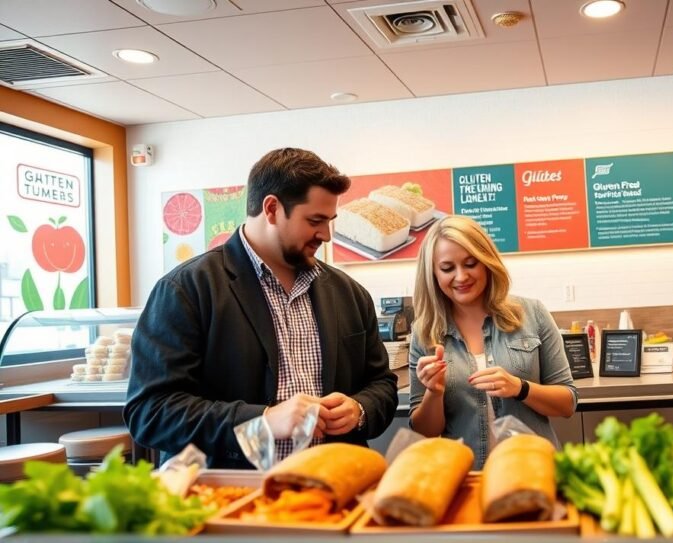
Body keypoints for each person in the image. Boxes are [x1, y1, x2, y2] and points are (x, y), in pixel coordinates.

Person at [125, 148, 398, 468]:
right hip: (233, 495)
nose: (325, 235)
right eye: (315, 220)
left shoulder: (348, 293)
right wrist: (262, 421)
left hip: (333, 486)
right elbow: (151, 412)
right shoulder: (187, 289)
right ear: (271, 209)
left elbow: (382, 386)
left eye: (329, 222)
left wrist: (359, 409)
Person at [409, 215, 577, 467]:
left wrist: (520, 388)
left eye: (470, 263)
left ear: (487, 261)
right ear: (433, 273)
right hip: (467, 477)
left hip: (533, 469)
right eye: (447, 268)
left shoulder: (532, 313)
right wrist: (434, 393)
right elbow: (425, 432)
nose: (461, 276)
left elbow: (567, 403)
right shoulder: (425, 333)